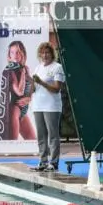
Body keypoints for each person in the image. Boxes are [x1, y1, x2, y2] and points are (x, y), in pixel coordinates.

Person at [29, 42, 66, 172]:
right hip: (37, 105)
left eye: (47, 52)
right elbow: (33, 89)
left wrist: (41, 82)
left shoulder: (57, 67)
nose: (45, 55)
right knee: (41, 135)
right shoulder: (38, 68)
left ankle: (54, 162)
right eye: (42, 53)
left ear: (52, 54)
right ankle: (43, 161)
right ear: (39, 54)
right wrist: (30, 83)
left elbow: (56, 89)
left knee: (53, 135)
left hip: (52, 106)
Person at [0, 41, 36, 143]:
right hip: (14, 109)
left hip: (23, 111)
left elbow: (31, 86)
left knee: (33, 142)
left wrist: (30, 98)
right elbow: (19, 91)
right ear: (9, 55)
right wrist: (23, 74)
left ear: (23, 53)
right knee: (12, 144)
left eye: (18, 52)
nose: (15, 55)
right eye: (12, 52)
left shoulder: (25, 68)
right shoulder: (10, 70)